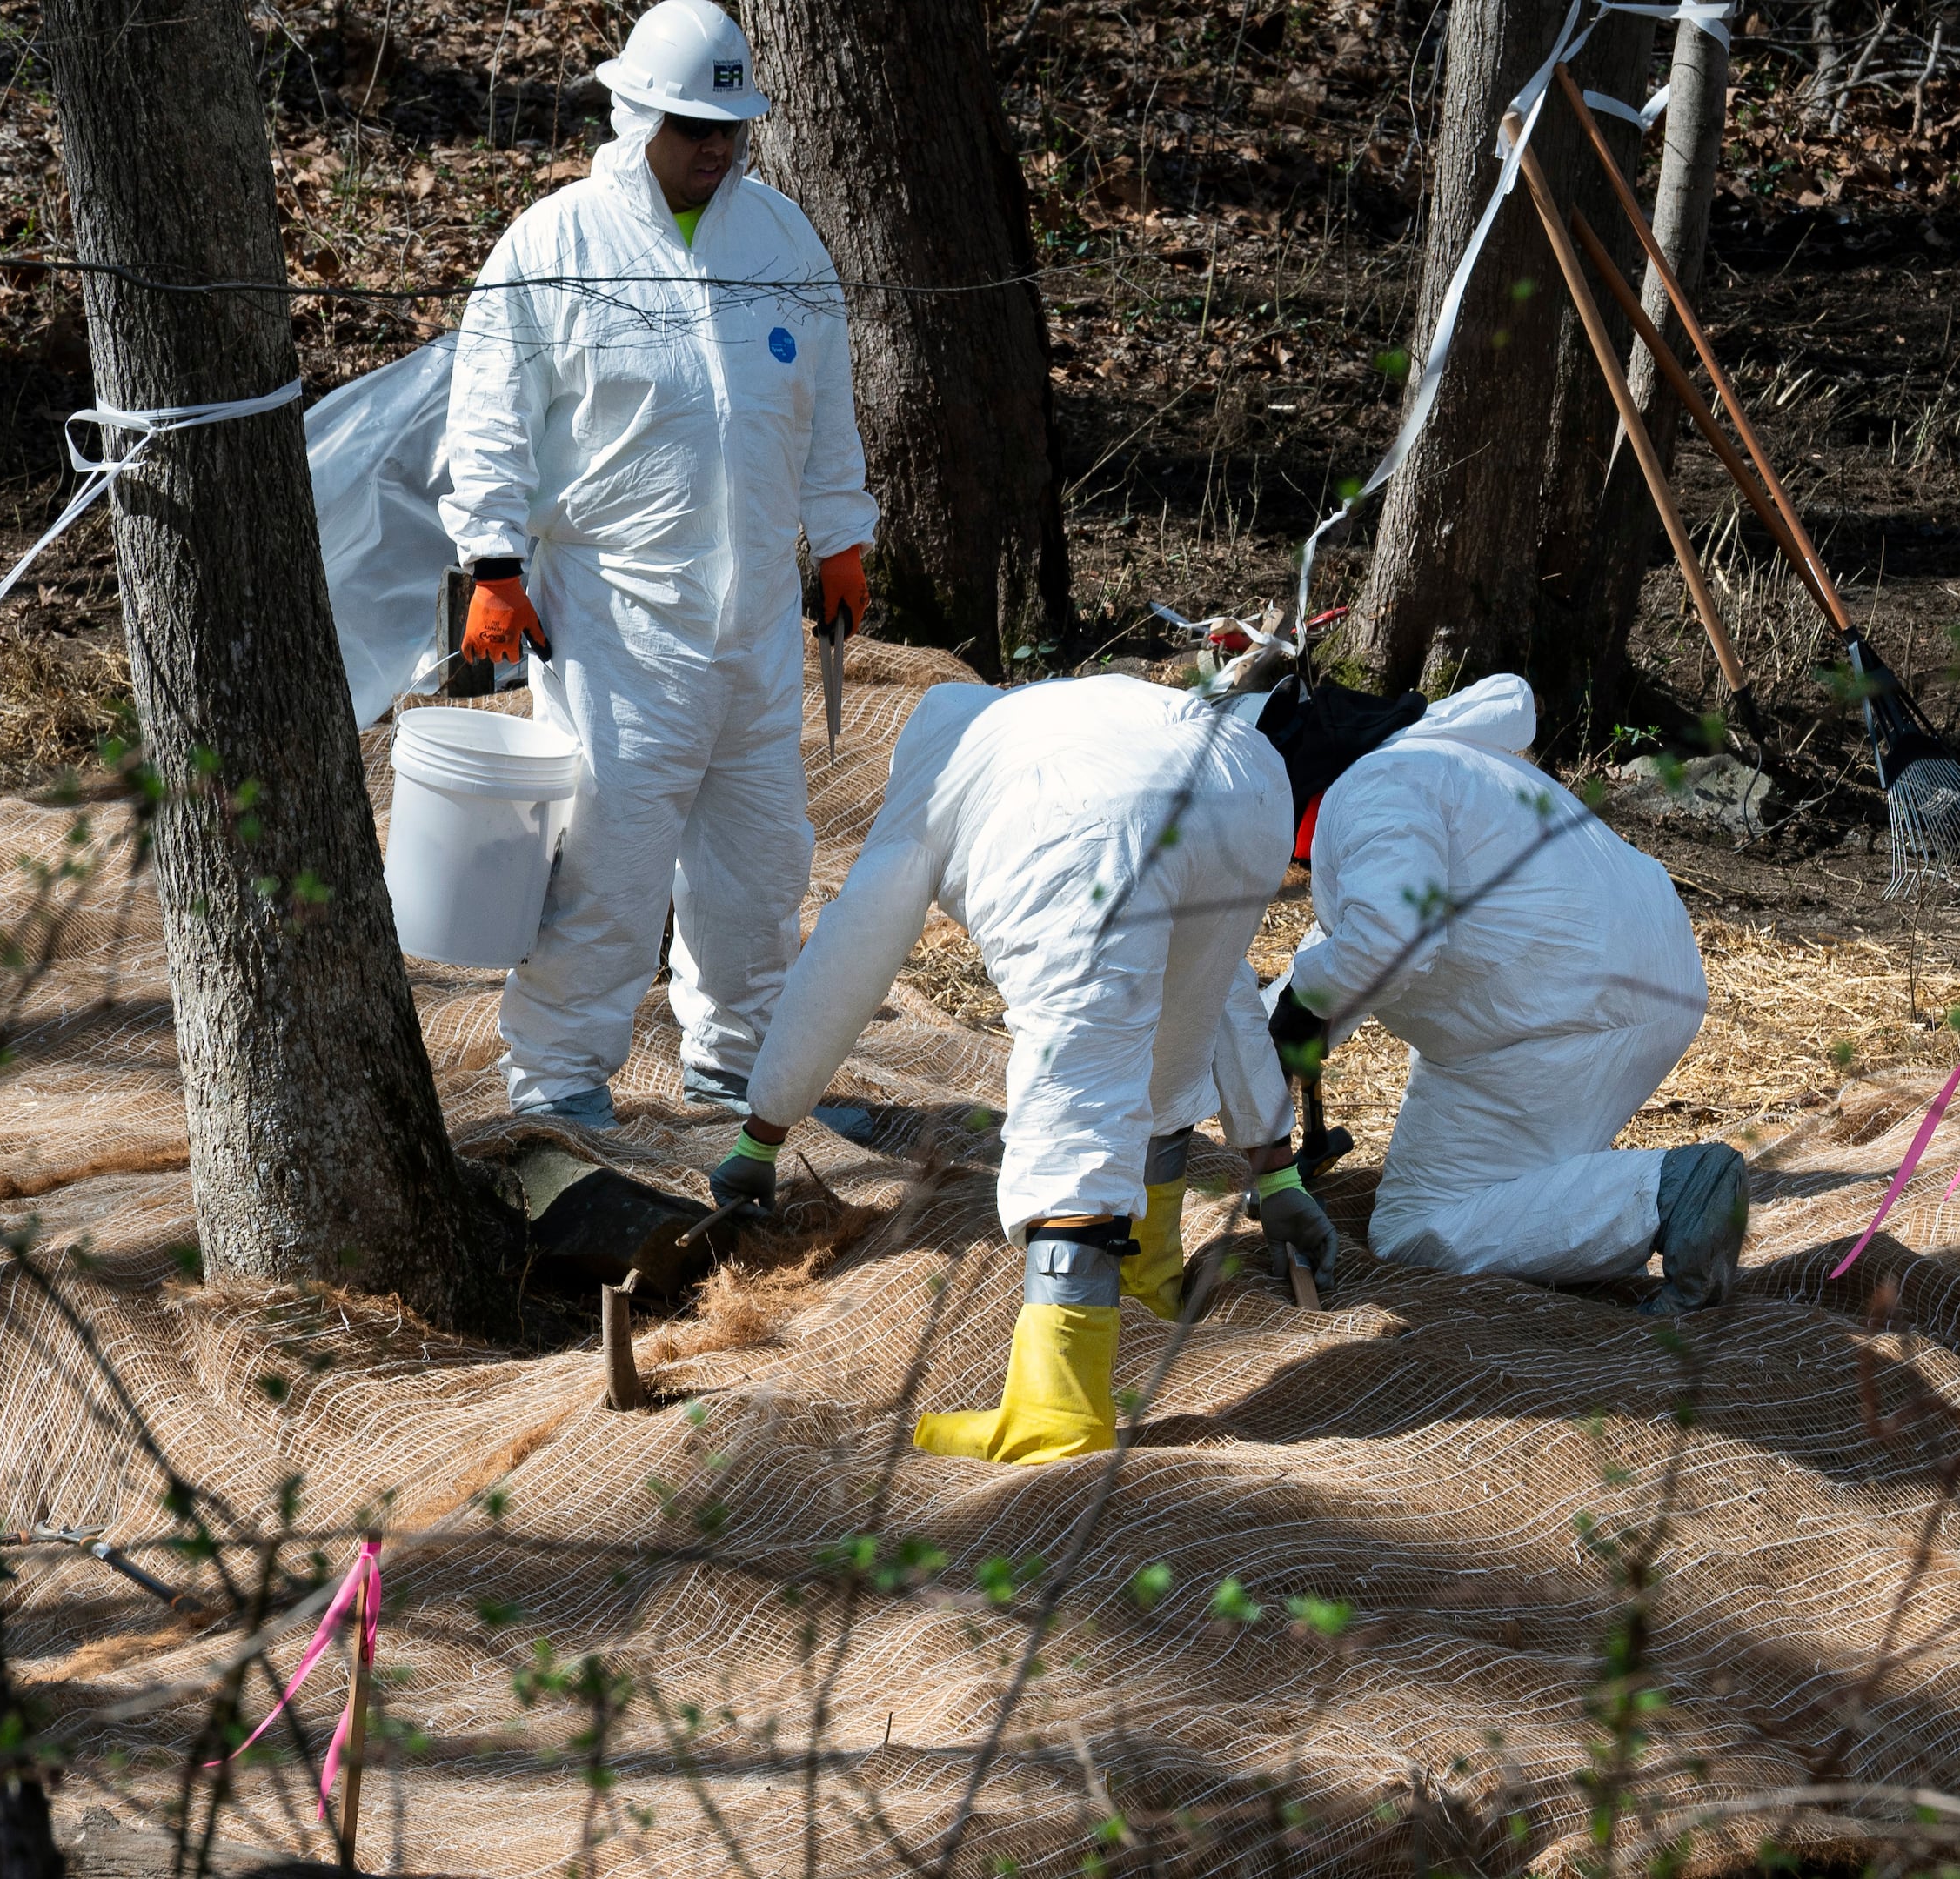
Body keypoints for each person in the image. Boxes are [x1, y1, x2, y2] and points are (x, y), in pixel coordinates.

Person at [703, 676, 1337, 1466]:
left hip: (1084, 816)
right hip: (1247, 785)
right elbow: (1227, 997)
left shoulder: (944, 766)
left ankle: (1058, 1407)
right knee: (1181, 1012)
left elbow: (845, 964)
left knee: (1081, 1082)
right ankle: (1152, 1272)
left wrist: (762, 1131)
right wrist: (1276, 1174)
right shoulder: (1054, 716)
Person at [438, 0, 875, 1129]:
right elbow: (489, 410)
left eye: (729, 124)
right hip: (613, 622)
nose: (715, 145)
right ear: (635, 114)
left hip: (757, 628)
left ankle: (743, 1069)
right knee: (606, 861)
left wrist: (840, 535)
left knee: (760, 866)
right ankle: (559, 1085)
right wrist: (493, 558)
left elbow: (825, 409)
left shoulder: (782, 242)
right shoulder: (557, 244)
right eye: (691, 123)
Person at [1254, 672, 1742, 1314]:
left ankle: (1669, 1196)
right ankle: (1650, 1199)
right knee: (1500, 1194)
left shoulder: (1369, 791)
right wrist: (1284, 1023)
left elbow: (1391, 936)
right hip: (1607, 993)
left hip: (1562, 1018)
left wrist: (1299, 1009)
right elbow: (1348, 938)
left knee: (1418, 1226)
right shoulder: (1421, 767)